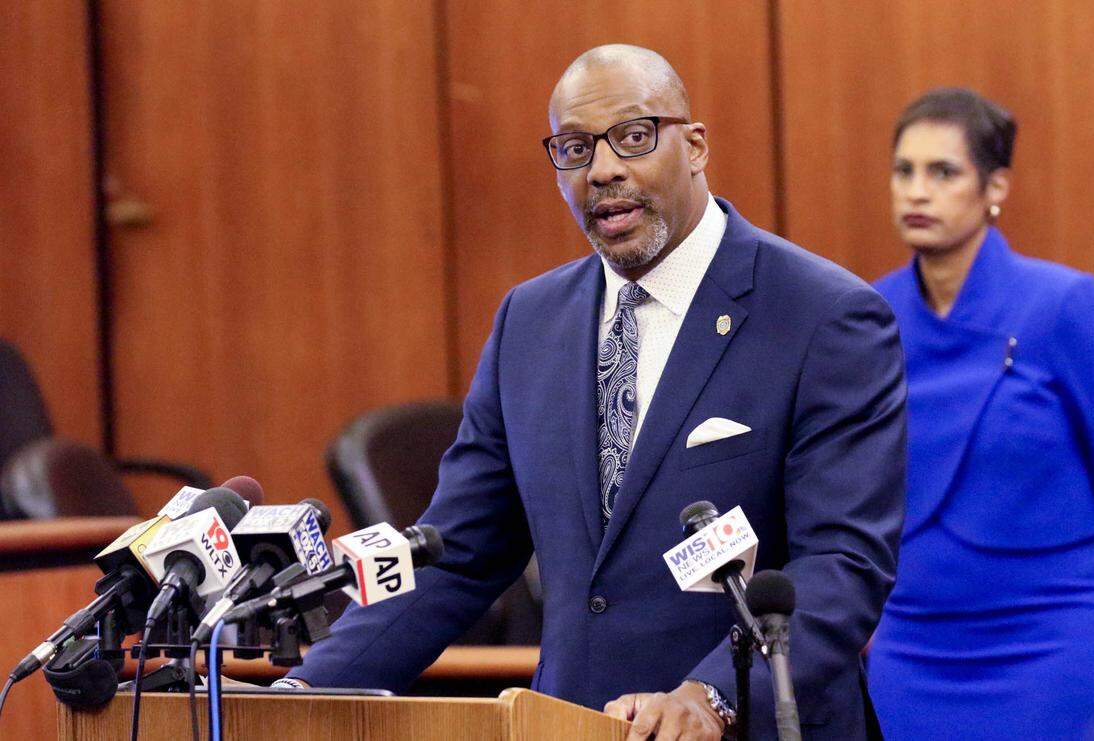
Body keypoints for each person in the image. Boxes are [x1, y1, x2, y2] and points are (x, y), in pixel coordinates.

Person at [288, 44, 906, 740]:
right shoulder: (531, 320)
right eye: (576, 148)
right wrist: (302, 690)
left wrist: (711, 695)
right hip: (571, 721)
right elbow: (457, 553)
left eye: (634, 137)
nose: (604, 169)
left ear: (695, 145)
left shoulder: (823, 315)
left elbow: (842, 565)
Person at [868, 87, 1094, 739]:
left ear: (996, 186)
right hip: (914, 650)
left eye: (943, 172)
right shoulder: (868, 317)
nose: (917, 192)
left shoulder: (1064, 305)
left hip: (1051, 640)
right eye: (904, 171)